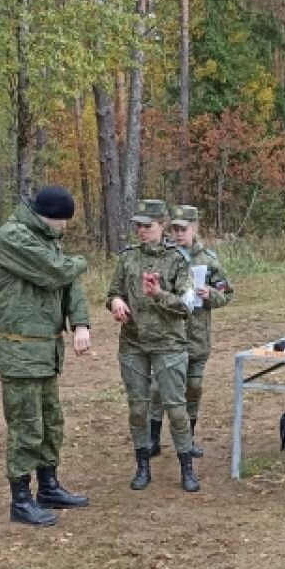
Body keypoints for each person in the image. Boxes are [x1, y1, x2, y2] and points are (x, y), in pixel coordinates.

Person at [0, 186, 92, 527]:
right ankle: (21, 498)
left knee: (50, 422)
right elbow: (57, 271)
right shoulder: (13, 237)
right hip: (20, 350)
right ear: (51, 217)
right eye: (64, 222)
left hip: (46, 350)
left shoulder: (45, 237)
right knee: (26, 425)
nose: (65, 229)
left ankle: (48, 485)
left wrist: (80, 323)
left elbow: (69, 284)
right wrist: (79, 262)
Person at [107, 200, 202, 493]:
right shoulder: (128, 258)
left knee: (175, 410)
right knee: (138, 409)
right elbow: (113, 291)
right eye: (138, 226)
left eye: (147, 226)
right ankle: (142, 466)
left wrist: (159, 293)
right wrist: (116, 302)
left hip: (169, 344)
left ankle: (186, 467)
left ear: (162, 225)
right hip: (133, 343)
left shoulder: (178, 260)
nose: (141, 231)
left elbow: (186, 306)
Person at [169, 205, 233, 457]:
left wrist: (210, 295)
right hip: (169, 335)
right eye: (174, 229)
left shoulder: (208, 260)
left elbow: (227, 293)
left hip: (197, 335)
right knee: (158, 391)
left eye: (183, 229)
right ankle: (152, 439)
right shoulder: (165, 257)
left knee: (193, 387)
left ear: (195, 228)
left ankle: (189, 439)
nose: (178, 234)